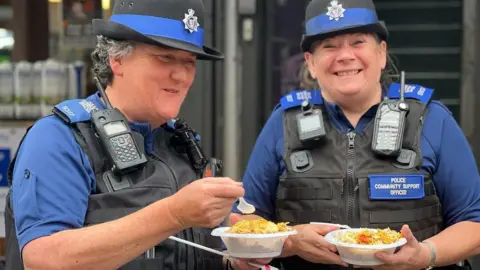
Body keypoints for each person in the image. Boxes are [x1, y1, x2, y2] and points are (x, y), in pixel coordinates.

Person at [229, 0, 480, 269]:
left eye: (358, 42)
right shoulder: (283, 123)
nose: (345, 56)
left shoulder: (432, 120)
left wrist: (425, 254)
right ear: (311, 63)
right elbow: (242, 219)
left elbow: (474, 223)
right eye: (329, 46)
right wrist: (290, 240)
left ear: (381, 53)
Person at [4, 0, 246, 269]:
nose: (181, 75)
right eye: (164, 57)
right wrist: (173, 214)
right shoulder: (59, 138)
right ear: (117, 59)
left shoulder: (181, 143)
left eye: (189, 62)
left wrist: (236, 258)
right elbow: (44, 260)